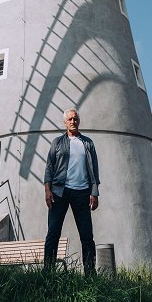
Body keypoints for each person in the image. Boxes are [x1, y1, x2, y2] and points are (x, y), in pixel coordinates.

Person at [44, 108, 100, 273]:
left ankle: (90, 273)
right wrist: (48, 190)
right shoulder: (57, 142)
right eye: (70, 119)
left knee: (87, 236)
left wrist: (94, 192)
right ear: (65, 122)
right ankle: (48, 272)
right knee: (53, 233)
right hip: (59, 192)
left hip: (82, 192)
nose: (73, 122)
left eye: (75, 119)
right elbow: (49, 167)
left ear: (78, 121)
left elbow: (94, 170)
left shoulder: (88, 143)